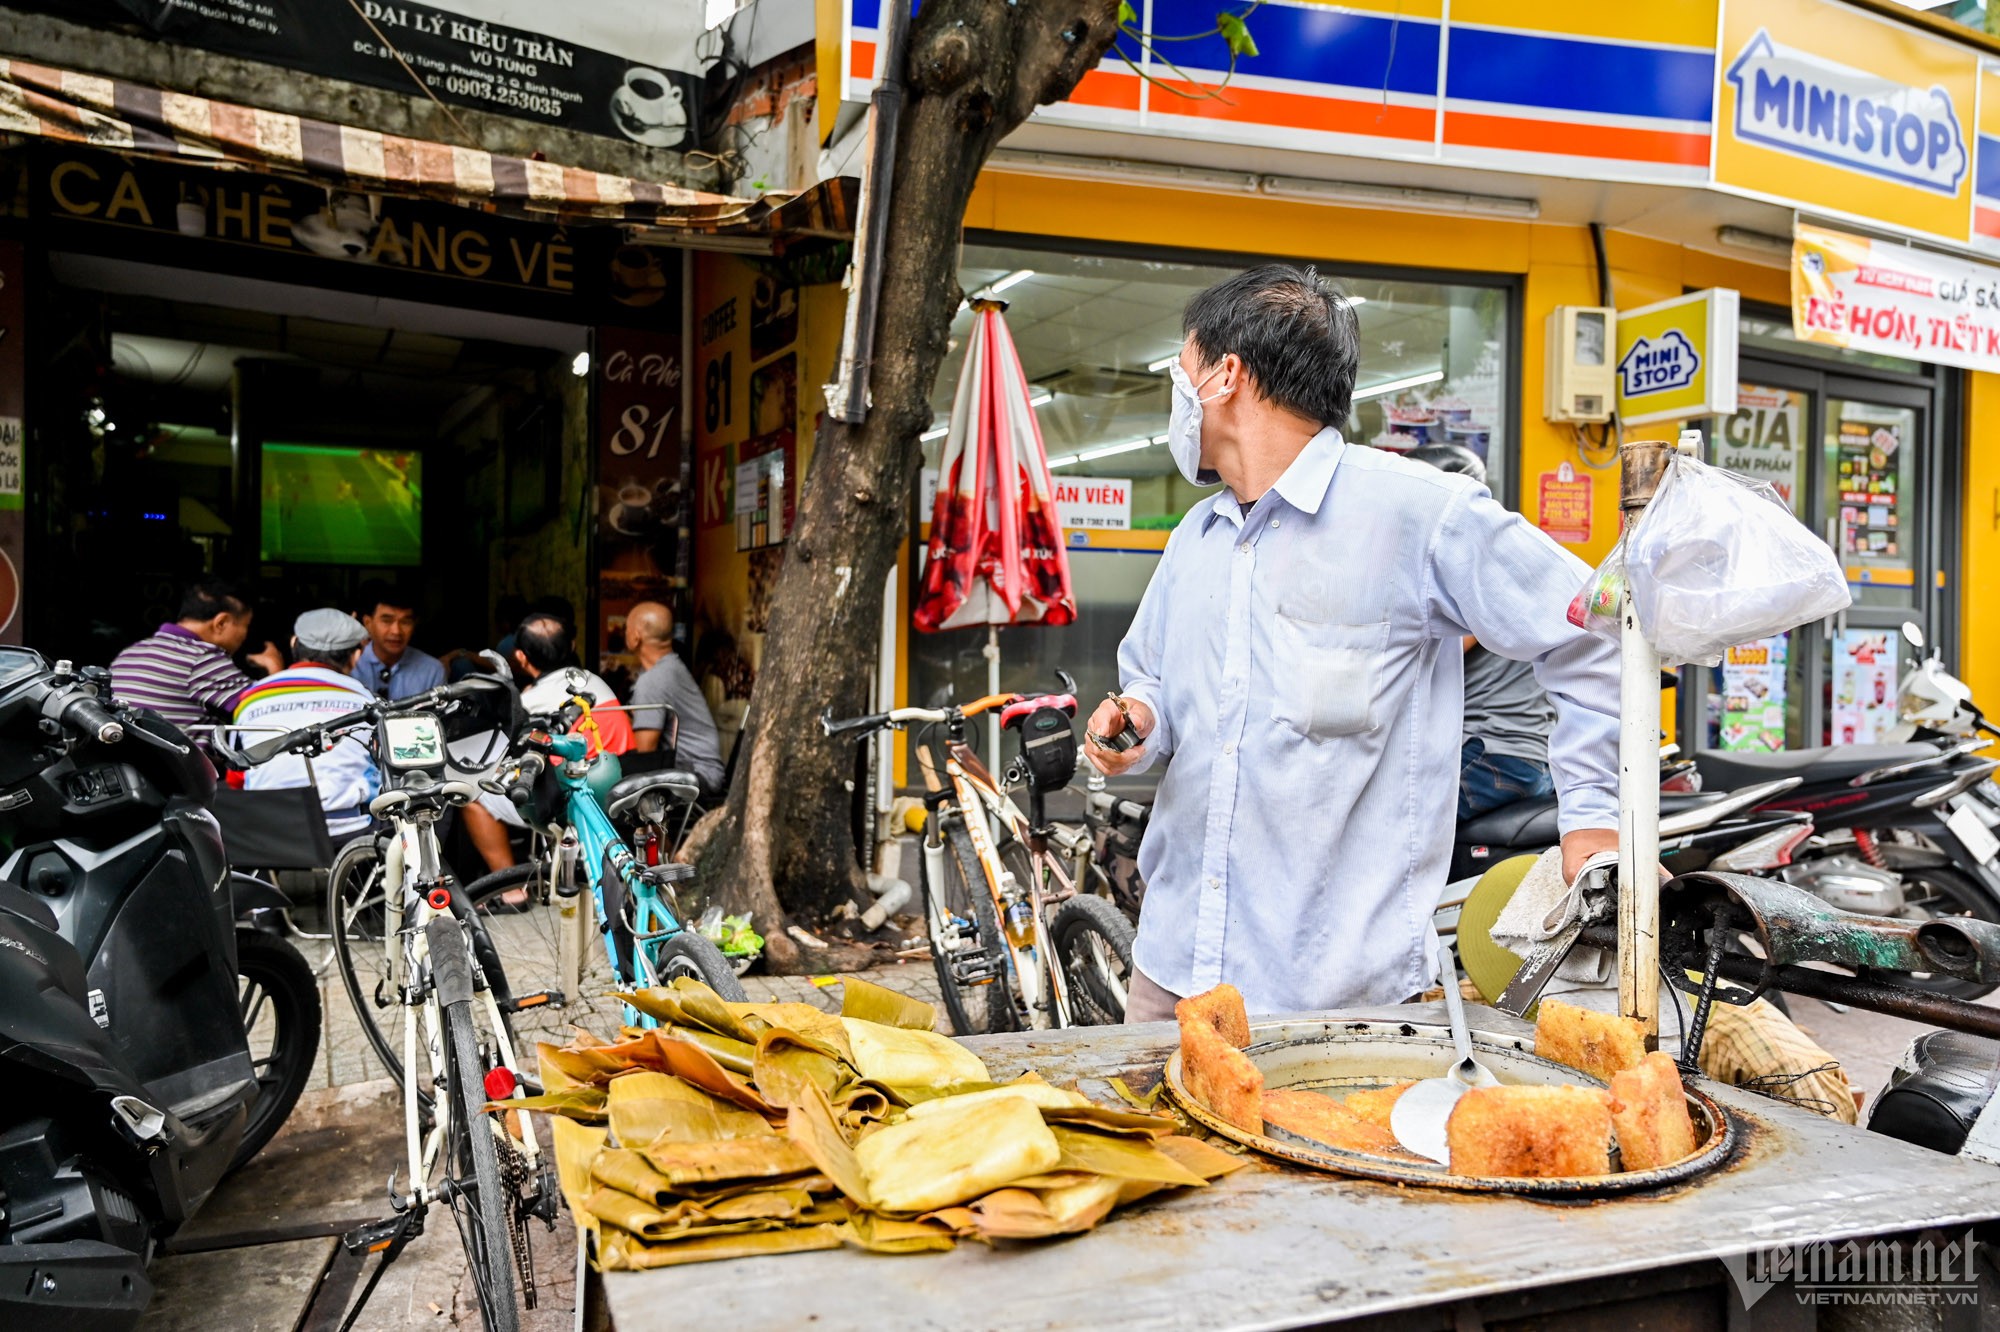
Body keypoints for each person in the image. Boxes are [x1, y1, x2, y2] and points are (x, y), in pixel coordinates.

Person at [1084, 264, 1620, 1022]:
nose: (1177, 390)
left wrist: (1593, 815)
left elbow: (1592, 629)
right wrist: (1135, 724)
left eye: (1183, 368)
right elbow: (1154, 684)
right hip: (1171, 964)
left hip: (1328, 992)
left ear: (1225, 376)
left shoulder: (1418, 514)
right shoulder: (1194, 539)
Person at [1405, 445, 1559, 820]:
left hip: (1493, 753)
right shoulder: (1506, 549)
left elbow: (1433, 653)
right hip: (1527, 755)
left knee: (1386, 827)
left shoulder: (1467, 562)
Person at [228, 609, 380, 838]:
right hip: (346, 834)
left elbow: (236, 777)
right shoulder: (365, 701)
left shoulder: (250, 698)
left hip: (266, 834)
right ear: (355, 656)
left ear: (294, 643)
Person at [110, 577, 284, 735]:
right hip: (176, 768)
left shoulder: (128, 653)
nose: (245, 635)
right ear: (221, 623)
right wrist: (274, 667)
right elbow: (272, 713)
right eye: (246, 625)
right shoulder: (201, 659)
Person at [624, 601, 726, 795]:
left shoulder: (653, 680)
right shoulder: (672, 667)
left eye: (626, 628)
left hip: (695, 774)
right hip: (702, 769)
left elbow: (645, 754)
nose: (625, 633)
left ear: (636, 636)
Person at [514, 614, 633, 757]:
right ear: (573, 645)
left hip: (579, 776)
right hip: (627, 768)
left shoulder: (527, 703)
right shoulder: (596, 681)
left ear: (521, 656)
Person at [352, 582, 445, 701]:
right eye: (387, 621)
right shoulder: (351, 665)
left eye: (405, 622)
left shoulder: (432, 670)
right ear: (368, 623)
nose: (396, 631)